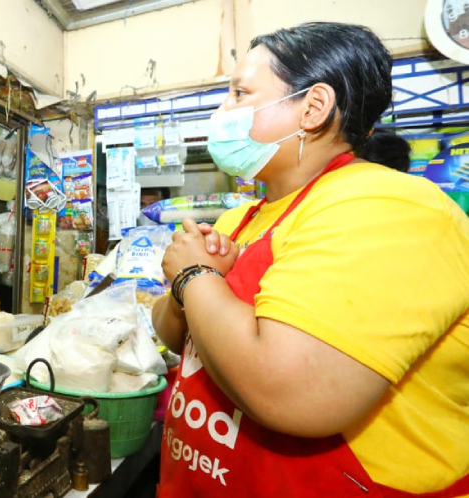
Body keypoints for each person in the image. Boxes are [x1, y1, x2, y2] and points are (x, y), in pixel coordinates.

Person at [152, 22, 469, 496]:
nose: (223, 111)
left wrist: (195, 275)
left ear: (314, 107)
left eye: (240, 93)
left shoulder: (387, 207)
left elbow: (292, 392)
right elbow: (171, 330)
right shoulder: (239, 218)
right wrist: (186, 290)